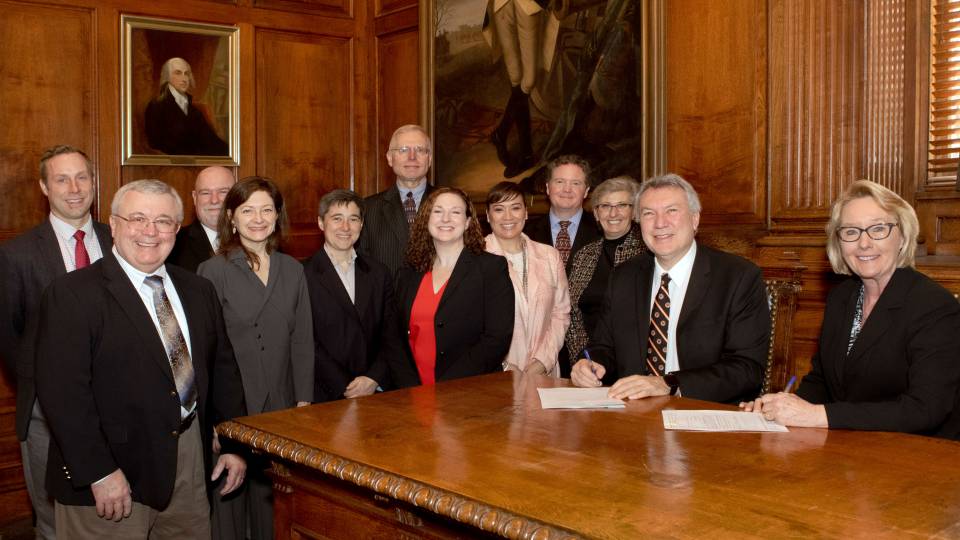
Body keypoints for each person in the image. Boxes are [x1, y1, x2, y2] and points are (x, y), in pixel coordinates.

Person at [35, 179, 247, 539]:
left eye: (163, 221)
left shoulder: (198, 290)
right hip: (113, 472)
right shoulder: (72, 294)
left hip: (188, 462)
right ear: (113, 225)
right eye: (137, 218)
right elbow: (64, 397)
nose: (150, 231)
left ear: (176, 230)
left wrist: (232, 444)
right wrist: (99, 473)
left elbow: (223, 370)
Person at [742, 180, 960, 439]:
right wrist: (778, 409)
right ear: (839, 242)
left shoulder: (935, 307)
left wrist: (818, 416)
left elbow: (925, 410)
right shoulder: (842, 297)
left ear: (902, 236)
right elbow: (822, 382)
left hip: (919, 456)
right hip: (850, 446)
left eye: (878, 229)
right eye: (851, 232)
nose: (864, 243)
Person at [572, 173, 769, 405]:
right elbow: (603, 346)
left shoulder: (738, 277)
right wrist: (589, 364)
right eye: (648, 213)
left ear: (694, 219)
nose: (660, 223)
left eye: (672, 211)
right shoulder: (624, 276)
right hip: (633, 413)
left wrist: (669, 384)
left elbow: (746, 369)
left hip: (705, 413)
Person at [0, 145, 112, 540]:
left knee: (116, 516)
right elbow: (11, 338)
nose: (75, 188)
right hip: (47, 416)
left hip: (117, 409)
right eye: (62, 179)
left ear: (94, 183)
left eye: (82, 177)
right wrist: (50, 384)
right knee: (54, 522)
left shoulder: (120, 240)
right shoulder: (17, 255)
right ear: (45, 187)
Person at [197, 177, 313, 540]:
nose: (258, 218)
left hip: (282, 409)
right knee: (229, 509)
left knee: (274, 508)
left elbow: (303, 339)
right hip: (234, 409)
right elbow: (206, 351)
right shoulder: (212, 271)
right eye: (248, 210)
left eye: (267, 209)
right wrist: (216, 421)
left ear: (277, 216)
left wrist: (304, 401)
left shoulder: (293, 270)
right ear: (232, 217)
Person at [391, 187, 515, 387]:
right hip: (412, 391)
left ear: (467, 222)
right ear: (426, 219)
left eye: (455, 212)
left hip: (467, 391)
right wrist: (409, 386)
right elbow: (393, 337)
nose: (445, 219)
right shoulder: (407, 274)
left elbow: (496, 338)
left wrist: (446, 388)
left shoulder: (491, 269)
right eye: (438, 211)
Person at [304, 189, 404, 401]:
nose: (345, 227)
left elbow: (391, 334)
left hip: (375, 392)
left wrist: (373, 377)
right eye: (337, 219)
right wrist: (345, 385)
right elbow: (305, 340)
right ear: (321, 223)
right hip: (325, 395)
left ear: (361, 224)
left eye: (353, 219)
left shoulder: (379, 273)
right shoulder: (302, 274)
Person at [564, 176, 646, 377]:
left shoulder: (647, 253)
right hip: (589, 363)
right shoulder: (584, 255)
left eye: (622, 205)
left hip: (636, 366)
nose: (613, 213)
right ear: (597, 214)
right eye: (605, 206)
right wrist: (584, 358)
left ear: (634, 211)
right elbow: (572, 311)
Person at [484, 181, 569, 376]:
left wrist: (542, 362)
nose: (508, 217)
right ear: (488, 216)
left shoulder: (550, 255)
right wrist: (504, 365)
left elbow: (561, 314)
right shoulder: (475, 257)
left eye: (515, 208)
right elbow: (469, 324)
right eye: (499, 209)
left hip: (544, 374)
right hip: (494, 373)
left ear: (526, 213)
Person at [482, 0, 560, 177]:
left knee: (529, 79)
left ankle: (501, 133)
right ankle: (526, 154)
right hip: (500, 6)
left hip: (529, 4)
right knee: (515, 78)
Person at [358, 124, 437, 276]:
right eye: (404, 150)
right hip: (387, 298)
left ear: (430, 158)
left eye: (420, 150)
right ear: (389, 158)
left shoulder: (451, 205)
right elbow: (363, 270)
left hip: (438, 298)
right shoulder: (367, 209)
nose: (412, 157)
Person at [523, 154, 601, 274]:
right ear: (548, 188)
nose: (567, 189)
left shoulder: (602, 231)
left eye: (575, 183)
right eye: (560, 182)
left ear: (586, 191)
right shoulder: (525, 233)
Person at [145, 57, 229, 156]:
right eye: (178, 73)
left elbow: (211, 140)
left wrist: (231, 153)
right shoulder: (156, 107)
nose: (184, 79)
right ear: (167, 77)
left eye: (187, 73)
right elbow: (156, 144)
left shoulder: (195, 111)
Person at [169, 166, 236, 272]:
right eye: (205, 193)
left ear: (237, 196)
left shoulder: (254, 239)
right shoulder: (173, 244)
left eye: (223, 192)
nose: (214, 200)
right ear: (195, 198)